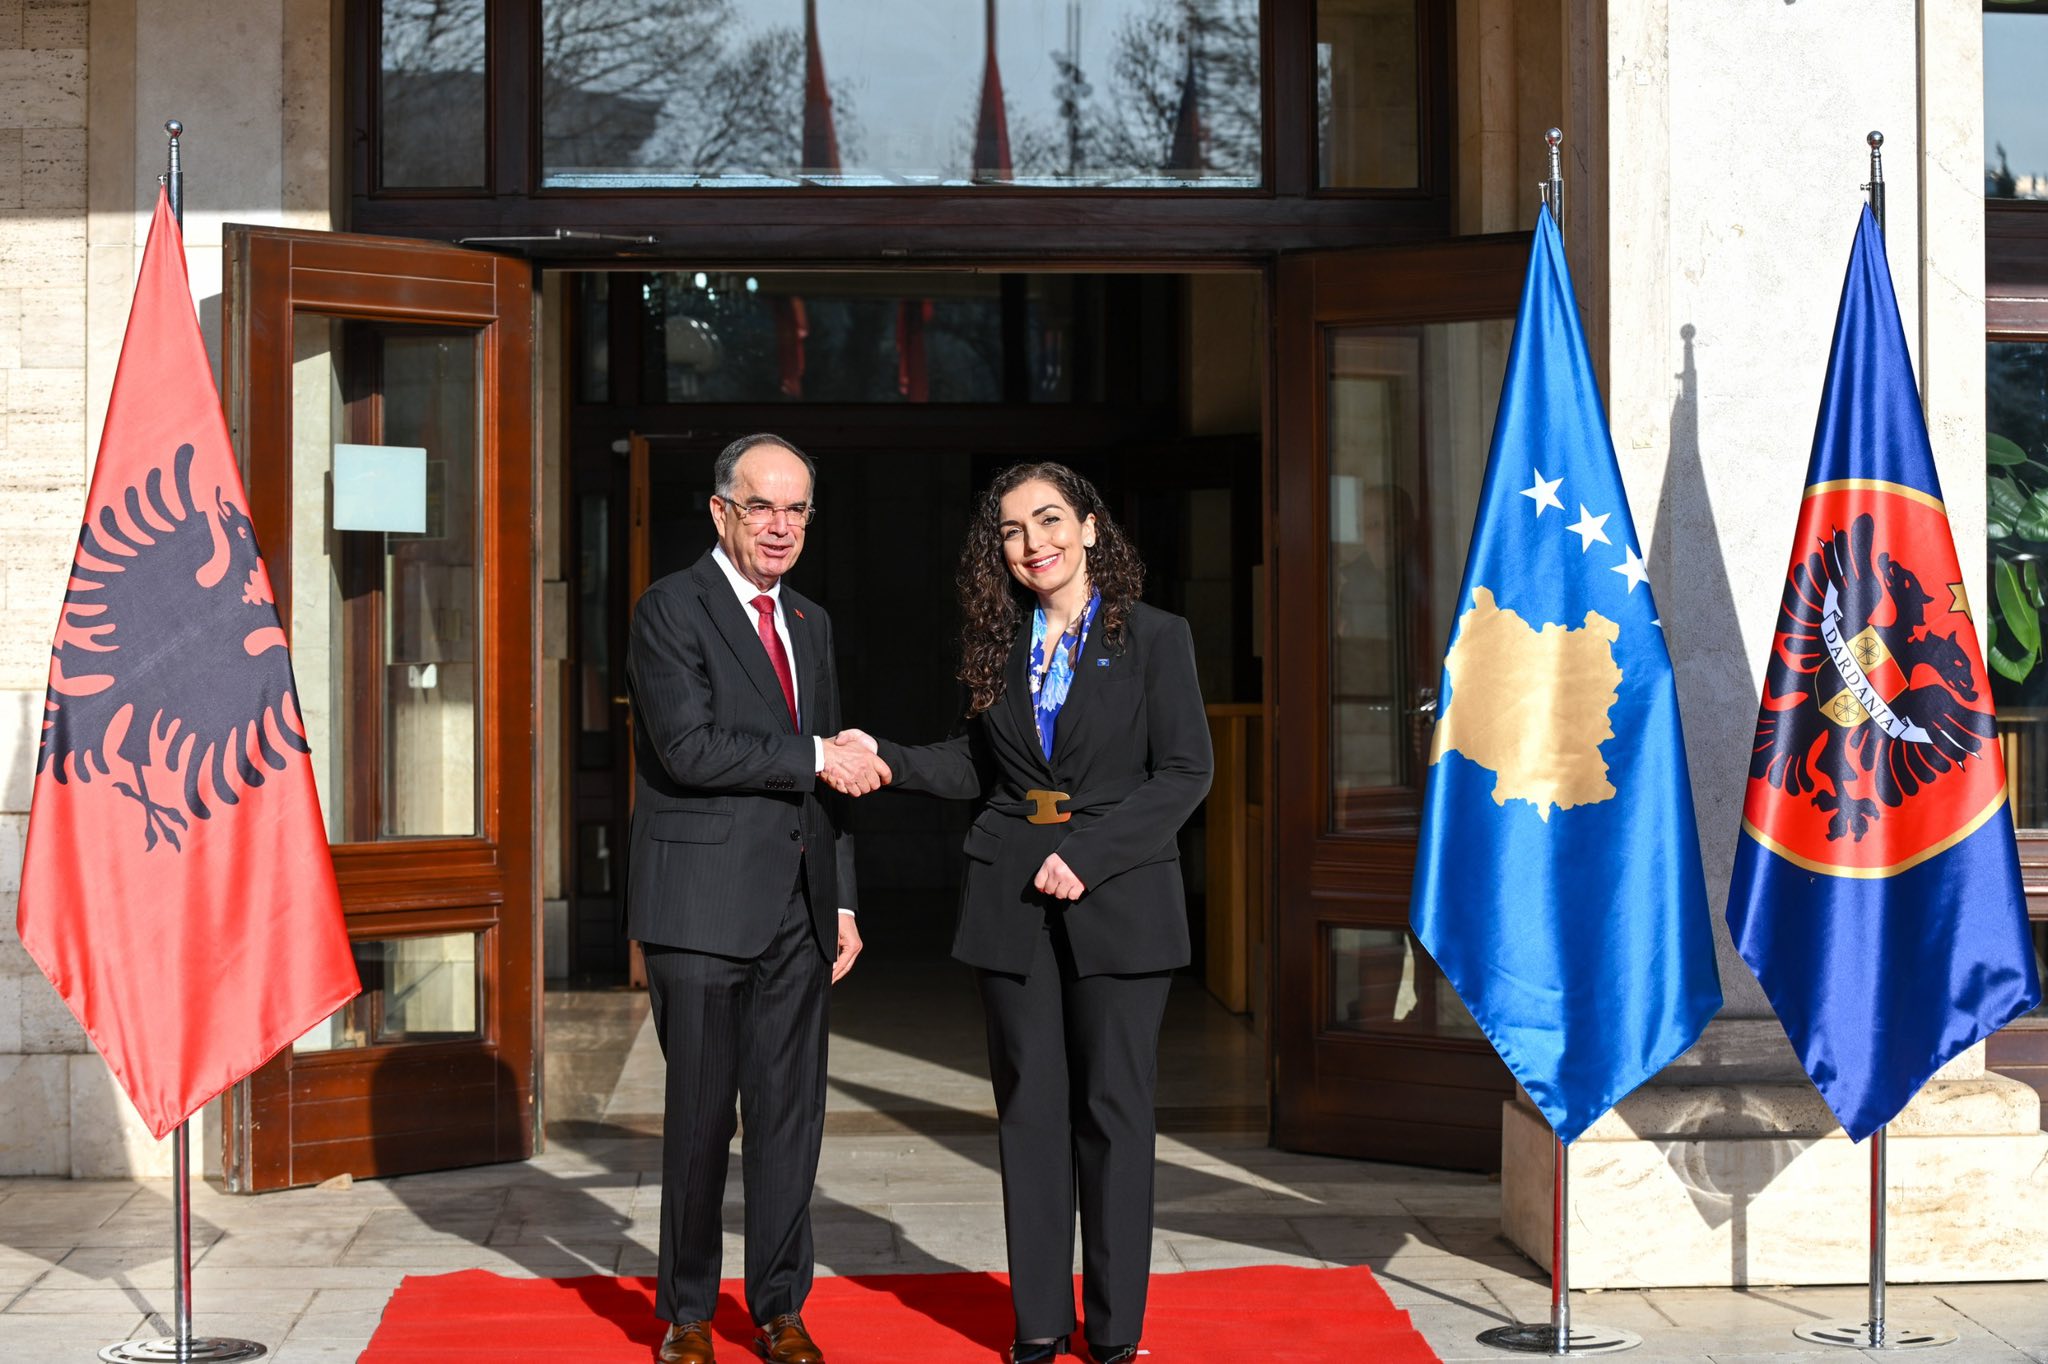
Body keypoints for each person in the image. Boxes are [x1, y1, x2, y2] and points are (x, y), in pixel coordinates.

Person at [836, 462, 1212, 1364]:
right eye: (1011, 530)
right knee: (1029, 1114)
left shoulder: (1155, 637)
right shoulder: (998, 647)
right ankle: (1040, 1324)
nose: (1034, 542)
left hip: (1120, 898)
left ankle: (1117, 1336)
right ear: (996, 551)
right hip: (1009, 896)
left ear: (1089, 528)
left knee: (1114, 1115)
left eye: (1049, 521)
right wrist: (885, 755)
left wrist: (1087, 856)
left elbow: (1185, 773)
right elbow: (979, 767)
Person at [625, 433, 889, 1364]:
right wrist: (819, 754)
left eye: (796, 511)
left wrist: (844, 901)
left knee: (788, 1119)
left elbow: (832, 784)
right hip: (699, 906)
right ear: (720, 512)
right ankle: (689, 1313)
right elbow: (690, 750)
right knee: (701, 1118)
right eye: (761, 507)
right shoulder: (670, 610)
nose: (780, 528)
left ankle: (781, 1308)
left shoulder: (810, 624)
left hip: (799, 909)